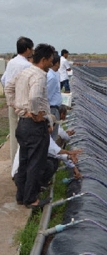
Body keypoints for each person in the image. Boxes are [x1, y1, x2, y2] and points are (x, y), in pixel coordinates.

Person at [5, 43, 54, 208]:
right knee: (36, 163)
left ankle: (21, 195)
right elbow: (34, 98)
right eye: (50, 60)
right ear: (44, 59)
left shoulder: (24, 72)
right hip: (34, 126)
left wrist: (15, 106)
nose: (51, 64)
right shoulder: (39, 75)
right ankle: (31, 199)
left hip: (22, 124)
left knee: (24, 161)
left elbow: (8, 87)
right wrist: (34, 113)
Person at [1, 37, 34, 163]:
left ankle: (13, 161)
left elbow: (4, 80)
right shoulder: (27, 65)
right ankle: (21, 164)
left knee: (14, 132)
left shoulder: (11, 62)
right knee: (24, 134)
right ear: (27, 49)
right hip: (23, 103)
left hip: (12, 102)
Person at [47, 52, 62, 140]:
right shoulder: (52, 77)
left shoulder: (52, 74)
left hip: (53, 108)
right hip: (52, 109)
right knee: (52, 136)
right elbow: (47, 96)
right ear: (57, 63)